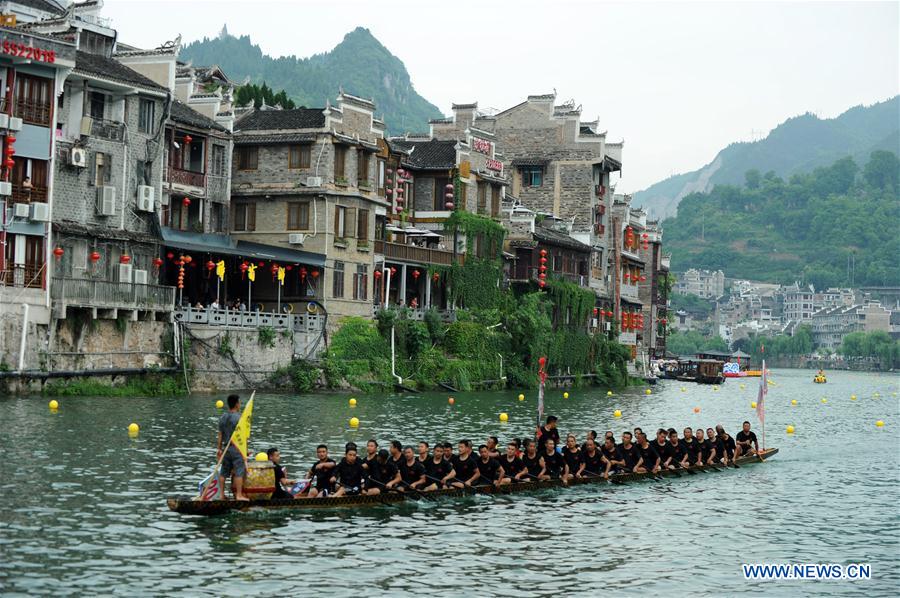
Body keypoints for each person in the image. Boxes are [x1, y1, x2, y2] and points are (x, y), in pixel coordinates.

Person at [216, 394, 249, 501]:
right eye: (239, 402)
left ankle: (221, 495)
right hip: (236, 448)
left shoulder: (223, 417)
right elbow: (243, 437)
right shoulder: (240, 418)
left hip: (226, 448)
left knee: (223, 472)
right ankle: (239, 495)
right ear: (236, 404)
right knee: (239, 471)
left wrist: (219, 448)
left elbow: (220, 434)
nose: (240, 404)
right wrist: (245, 452)